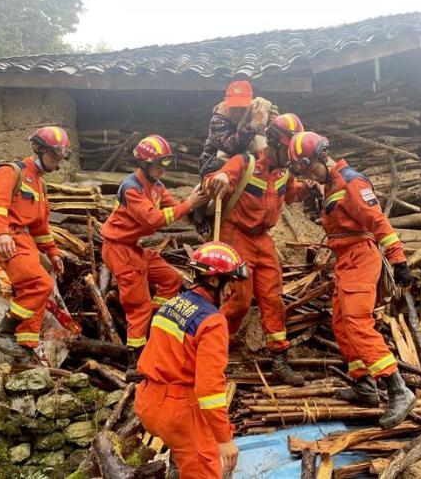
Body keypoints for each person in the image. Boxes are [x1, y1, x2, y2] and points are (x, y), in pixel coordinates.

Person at [287, 131, 417, 429]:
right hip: (344, 259)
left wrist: (399, 261)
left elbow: (378, 222)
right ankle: (363, 385)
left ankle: (399, 389)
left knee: (358, 322)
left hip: (360, 257)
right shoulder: (328, 183)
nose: (309, 176)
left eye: (309, 169)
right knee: (341, 324)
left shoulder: (351, 182)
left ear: (322, 157)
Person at [203, 113, 309, 386]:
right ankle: (213, 353)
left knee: (273, 298)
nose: (291, 154)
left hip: (262, 239)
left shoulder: (284, 172)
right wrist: (222, 179)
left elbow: (291, 193)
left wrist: (309, 188)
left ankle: (279, 360)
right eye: (288, 148)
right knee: (239, 299)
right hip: (236, 235)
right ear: (273, 143)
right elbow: (213, 180)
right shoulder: (245, 162)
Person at [134, 242, 248, 478]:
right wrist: (224, 439)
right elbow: (209, 390)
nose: (231, 292)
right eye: (230, 283)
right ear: (215, 281)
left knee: (184, 454)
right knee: (206, 470)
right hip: (179, 411)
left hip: (148, 400)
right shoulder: (212, 321)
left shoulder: (172, 304)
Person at [101, 135, 209, 378]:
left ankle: (154, 323)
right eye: (159, 163)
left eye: (166, 163)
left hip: (134, 248)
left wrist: (199, 204)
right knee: (138, 305)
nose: (163, 169)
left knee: (170, 278)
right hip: (119, 250)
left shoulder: (157, 187)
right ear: (144, 163)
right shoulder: (131, 189)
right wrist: (189, 204)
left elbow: (177, 208)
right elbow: (153, 219)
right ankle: (134, 361)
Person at [0, 126, 68, 360]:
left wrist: (53, 252)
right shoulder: (11, 172)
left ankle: (25, 349)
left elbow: (40, 226)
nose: (58, 163)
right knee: (40, 284)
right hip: (6, 237)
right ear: (39, 149)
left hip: (24, 240)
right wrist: (1, 234)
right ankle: (3, 331)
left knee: (33, 291)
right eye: (55, 156)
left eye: (61, 157)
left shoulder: (39, 184)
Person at [198, 80, 277, 177]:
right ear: (226, 101)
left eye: (242, 108)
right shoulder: (218, 120)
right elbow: (234, 148)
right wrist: (253, 123)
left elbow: (272, 108)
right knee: (218, 168)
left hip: (242, 160)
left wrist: (272, 120)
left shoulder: (253, 109)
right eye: (233, 108)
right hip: (214, 163)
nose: (237, 113)